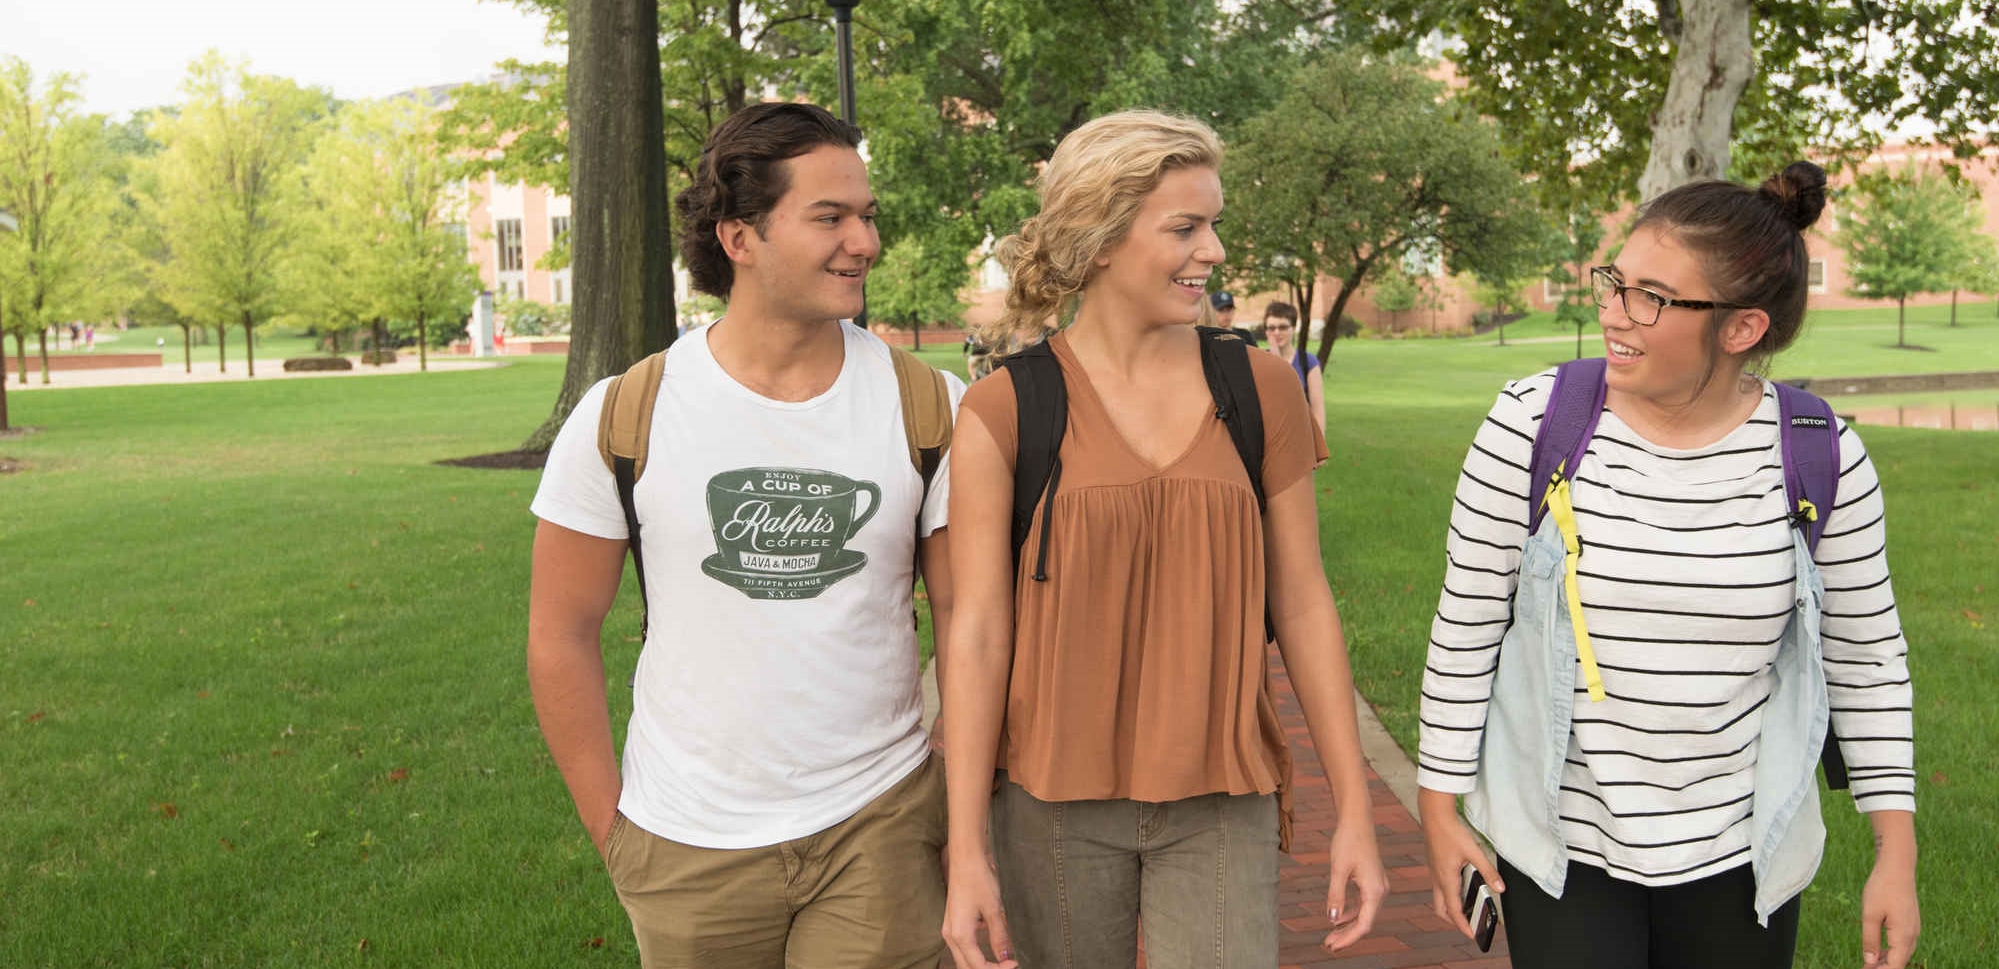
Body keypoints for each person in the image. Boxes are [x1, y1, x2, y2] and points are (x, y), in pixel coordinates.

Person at [1417, 162, 1919, 969]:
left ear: (1740, 329)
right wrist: (1437, 808)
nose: (1611, 311)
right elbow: (1468, 618)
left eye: (1648, 297)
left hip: (1745, 851)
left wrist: (1894, 852)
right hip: (1561, 845)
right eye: (1615, 281)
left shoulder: (1819, 454)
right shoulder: (1533, 423)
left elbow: (1865, 659)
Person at [939, 109, 1386, 969]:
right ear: (1100, 239)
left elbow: (1301, 600)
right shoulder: (1003, 411)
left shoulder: (1256, 385)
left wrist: (1356, 808)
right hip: (1050, 807)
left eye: (1212, 223)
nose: (1213, 250)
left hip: (1222, 799)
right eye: (1184, 227)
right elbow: (978, 634)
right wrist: (966, 852)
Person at [526, 101, 964, 969]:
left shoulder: (931, 406)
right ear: (739, 237)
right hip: (685, 839)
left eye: (867, 215)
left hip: (876, 827)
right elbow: (560, 633)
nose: (864, 241)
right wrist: (610, 824)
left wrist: (946, 780)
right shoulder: (624, 413)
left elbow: (966, 619)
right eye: (830, 217)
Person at [1260, 301, 1324, 440]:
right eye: (1271, 328)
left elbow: (1317, 408)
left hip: (1300, 436)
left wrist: (1319, 445)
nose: (1276, 332)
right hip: (1269, 439)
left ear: (1293, 328)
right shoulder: (1258, 362)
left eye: (1283, 327)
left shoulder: (1308, 362)